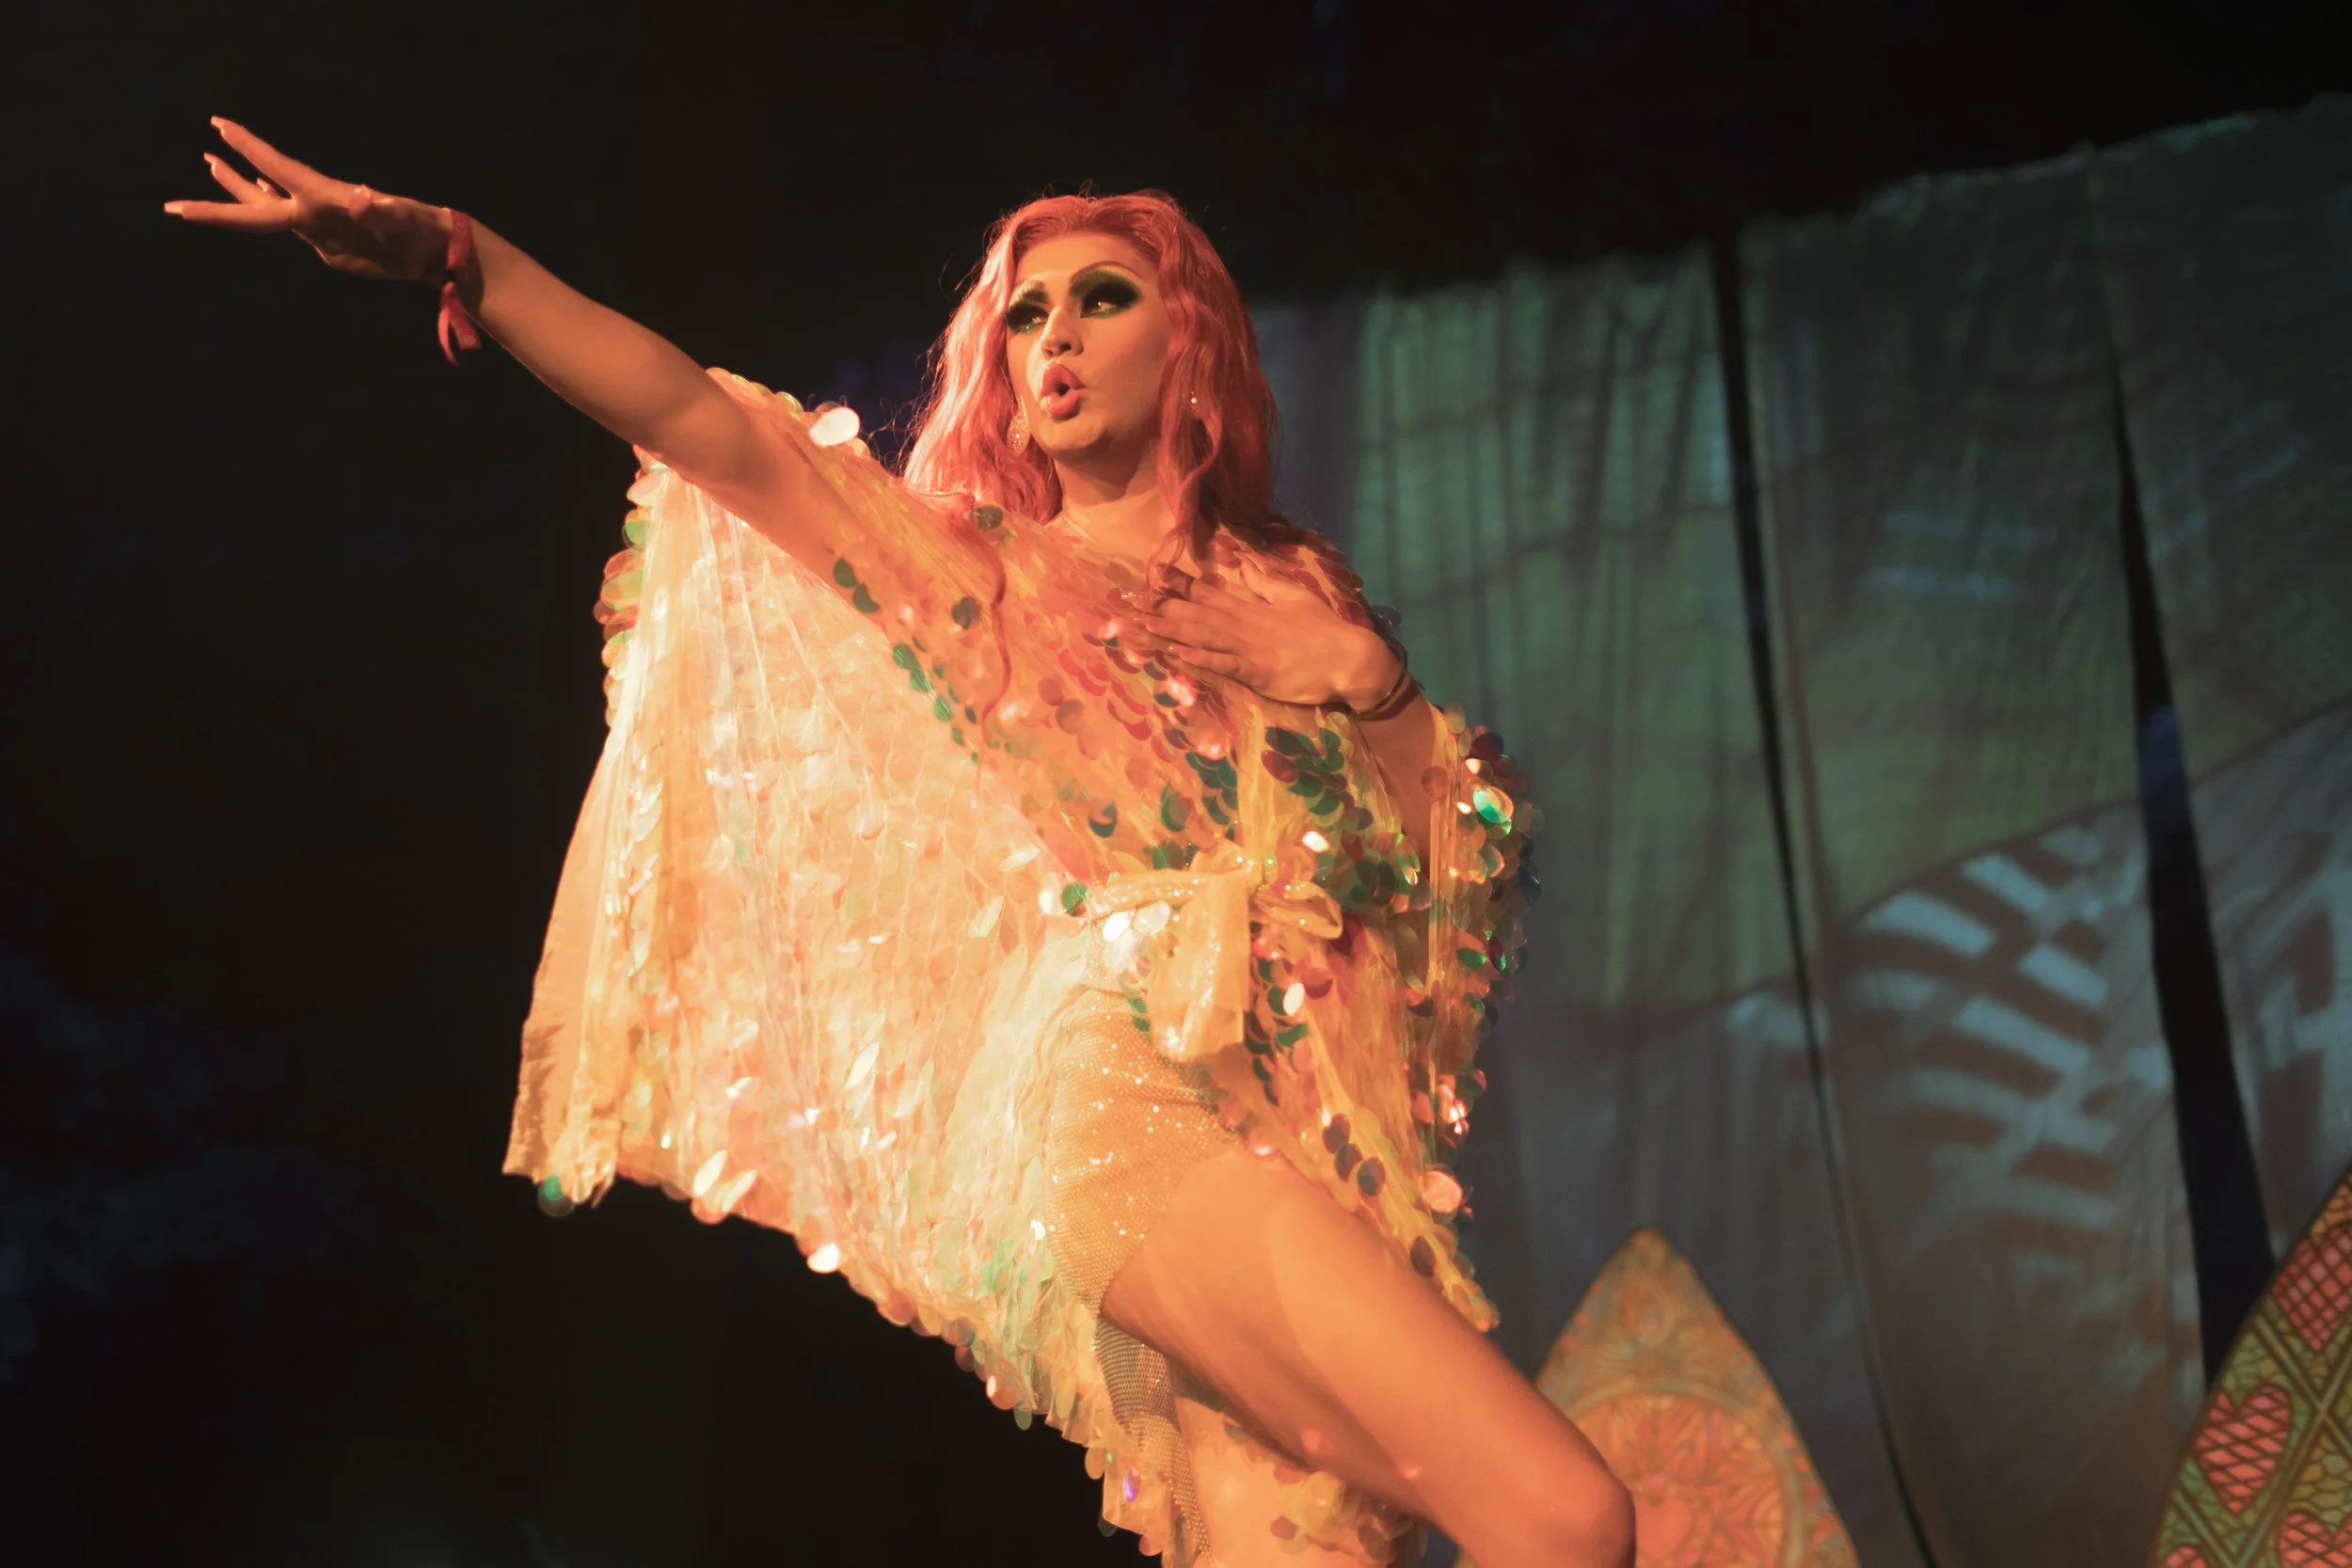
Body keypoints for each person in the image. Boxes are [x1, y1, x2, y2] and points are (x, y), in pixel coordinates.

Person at [167, 119, 1635, 1568]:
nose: (1054, 337)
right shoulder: (990, 580)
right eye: (1025, 316)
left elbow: (1451, 896)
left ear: (1190, 340)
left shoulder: (1303, 602)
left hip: (1305, 1146)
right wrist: (465, 255)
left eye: (1102, 298)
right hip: (1128, 1106)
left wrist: (1367, 681)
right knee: (1567, 1517)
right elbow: (707, 424)